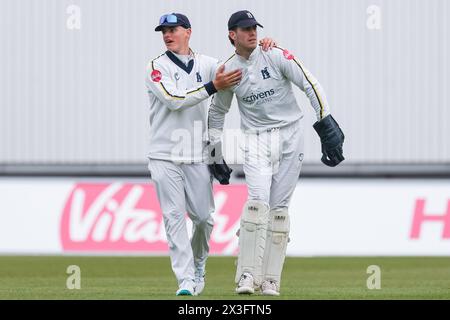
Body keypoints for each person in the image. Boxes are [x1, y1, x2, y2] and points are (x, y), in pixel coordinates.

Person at [208, 10, 345, 296]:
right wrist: (214, 152)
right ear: (232, 35)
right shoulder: (228, 70)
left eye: (254, 28)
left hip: (290, 135)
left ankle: (271, 279)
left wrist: (325, 121)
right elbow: (218, 111)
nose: (252, 33)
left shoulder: (275, 54)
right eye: (245, 29)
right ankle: (247, 274)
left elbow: (310, 83)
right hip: (256, 138)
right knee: (257, 205)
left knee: (279, 212)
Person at [146, 12, 276, 296]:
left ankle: (199, 265)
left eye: (173, 30)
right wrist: (211, 87)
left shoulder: (208, 65)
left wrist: (263, 48)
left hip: (195, 154)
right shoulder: (156, 67)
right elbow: (174, 100)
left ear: (188, 32)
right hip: (163, 154)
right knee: (173, 217)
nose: (167, 35)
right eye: (163, 32)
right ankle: (185, 280)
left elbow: (238, 67)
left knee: (204, 219)